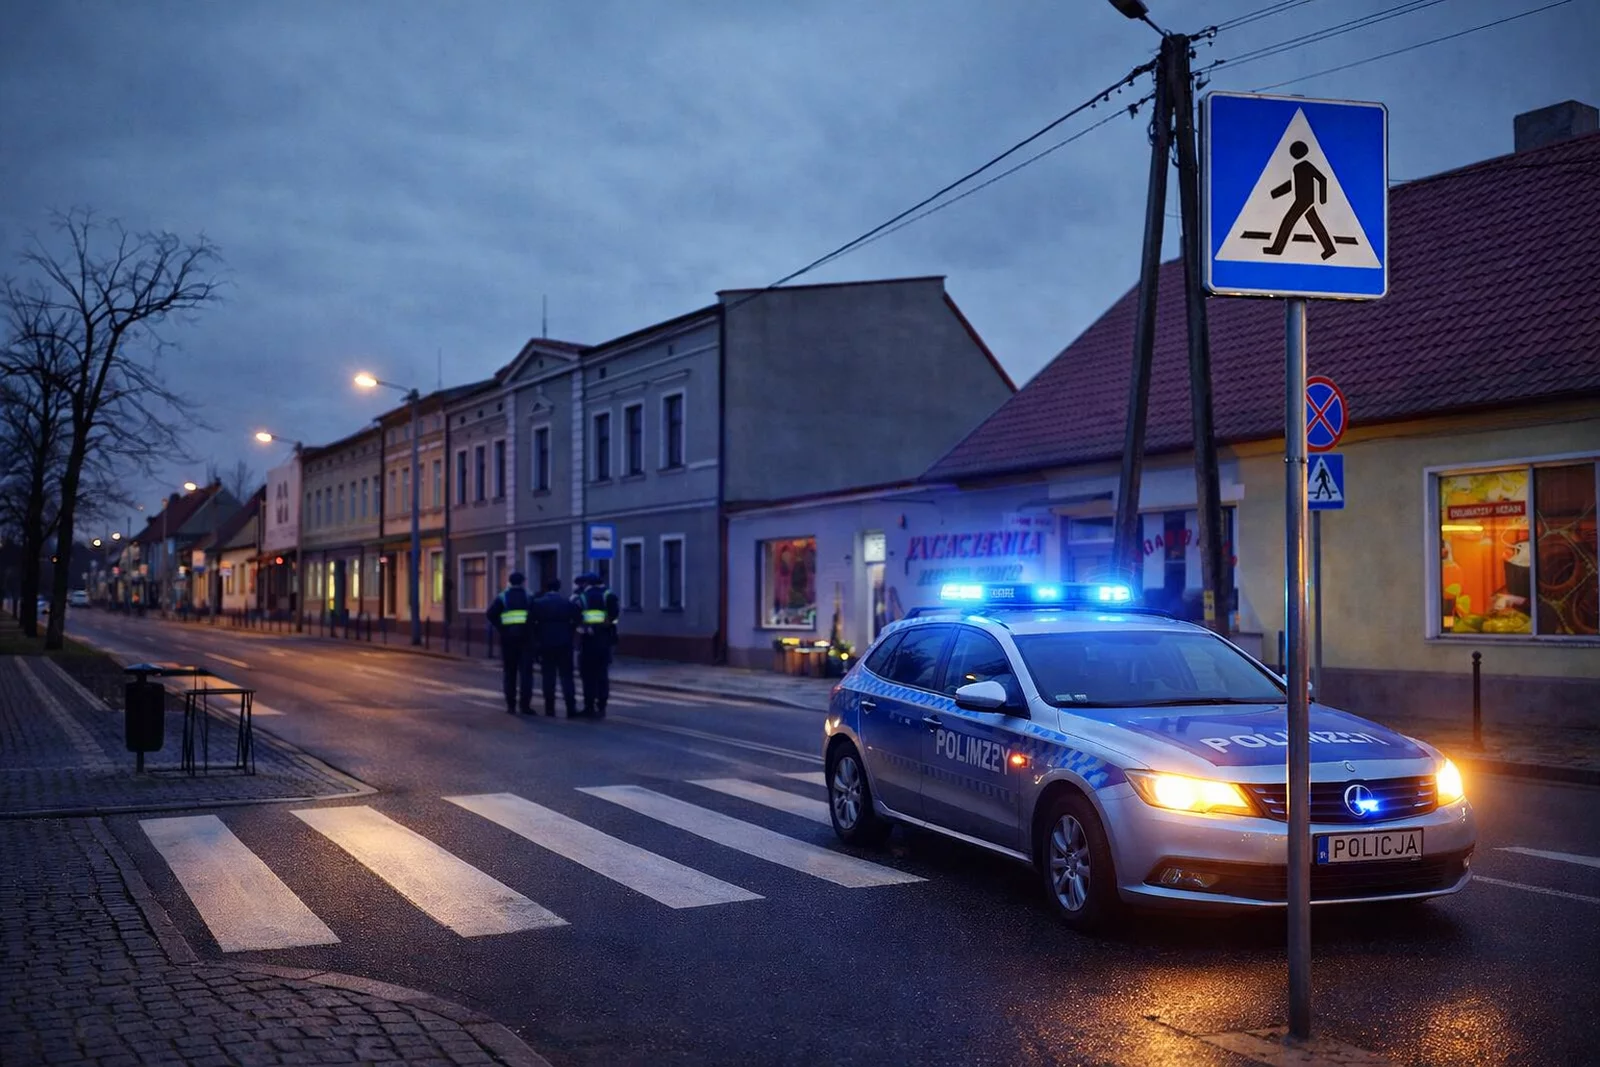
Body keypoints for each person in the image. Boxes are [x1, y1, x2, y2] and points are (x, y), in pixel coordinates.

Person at [573, 571, 621, 718]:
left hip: (588, 641)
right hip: (605, 640)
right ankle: (602, 705)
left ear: (587, 583)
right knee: (602, 673)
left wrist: (585, 629)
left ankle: (589, 706)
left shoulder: (581, 598)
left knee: (588, 675)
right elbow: (614, 617)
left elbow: (576, 619)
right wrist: (604, 626)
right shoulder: (609, 596)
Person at [486, 572, 535, 714]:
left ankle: (511, 705)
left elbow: (490, 613)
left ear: (509, 582)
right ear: (523, 582)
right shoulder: (529, 596)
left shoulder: (503, 597)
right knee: (526, 674)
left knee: (510, 672)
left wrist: (501, 627)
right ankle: (525, 705)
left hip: (508, 640)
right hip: (526, 640)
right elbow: (535, 615)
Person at [531, 578, 579, 718]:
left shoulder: (538, 604)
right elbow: (578, 619)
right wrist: (569, 631)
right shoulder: (567, 603)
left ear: (546, 588)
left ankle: (549, 709)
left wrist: (537, 640)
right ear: (559, 588)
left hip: (546, 644)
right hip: (565, 644)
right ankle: (571, 708)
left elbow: (532, 623)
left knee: (548, 677)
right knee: (567, 677)